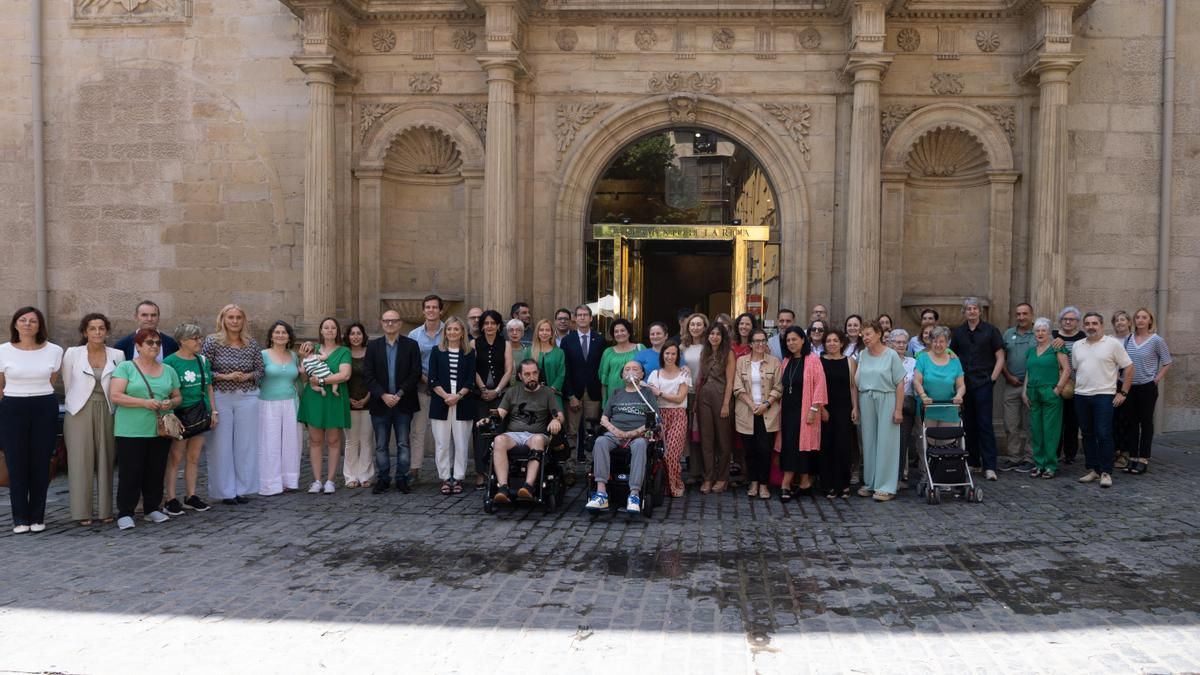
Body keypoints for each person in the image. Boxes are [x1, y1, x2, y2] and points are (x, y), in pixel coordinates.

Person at [108, 328, 181, 530]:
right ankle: (125, 512)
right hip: (130, 429)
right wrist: (144, 403)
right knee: (131, 471)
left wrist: (170, 403)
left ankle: (152, 508)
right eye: (149, 343)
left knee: (155, 470)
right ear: (138, 346)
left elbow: (178, 396)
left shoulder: (168, 370)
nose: (155, 346)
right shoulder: (126, 368)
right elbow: (116, 396)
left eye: (157, 343)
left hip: (159, 430)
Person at [0, 307, 63, 533]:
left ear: (40, 325)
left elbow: (52, 379)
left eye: (33, 321)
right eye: (23, 320)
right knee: (16, 463)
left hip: (43, 405)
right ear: (15, 324)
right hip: (12, 407)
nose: (28, 324)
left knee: (40, 461)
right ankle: (20, 519)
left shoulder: (54, 351)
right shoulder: (3, 351)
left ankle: (37, 517)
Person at [62, 313, 123, 525]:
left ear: (106, 331)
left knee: (106, 459)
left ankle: (106, 510)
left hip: (107, 410)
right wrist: (75, 404)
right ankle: (82, 512)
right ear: (84, 332)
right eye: (92, 328)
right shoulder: (72, 354)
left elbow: (119, 384)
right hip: (79, 410)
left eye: (101, 328)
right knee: (79, 462)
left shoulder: (118, 354)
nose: (97, 332)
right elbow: (67, 382)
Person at [202, 304, 264, 506]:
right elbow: (204, 371)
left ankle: (243, 489)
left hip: (247, 396)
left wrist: (247, 376)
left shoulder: (251, 344)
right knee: (221, 445)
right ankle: (226, 491)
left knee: (245, 445)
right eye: (231, 317)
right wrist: (224, 376)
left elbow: (261, 372)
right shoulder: (212, 342)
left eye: (238, 317)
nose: (235, 321)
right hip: (220, 396)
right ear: (223, 319)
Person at [585, 360, 660, 514]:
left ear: (642, 374)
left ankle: (634, 495)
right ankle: (601, 493)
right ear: (622, 374)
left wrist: (633, 433)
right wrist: (615, 431)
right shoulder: (616, 393)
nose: (631, 372)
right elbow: (604, 418)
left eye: (635, 369)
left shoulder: (646, 394)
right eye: (627, 369)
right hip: (615, 433)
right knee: (600, 441)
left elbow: (654, 420)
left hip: (638, 435)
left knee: (640, 445)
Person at [487, 359, 564, 503]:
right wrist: (488, 420)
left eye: (535, 373)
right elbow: (500, 414)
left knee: (538, 440)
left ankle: (528, 487)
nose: (532, 377)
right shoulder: (512, 392)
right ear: (520, 376)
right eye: (527, 374)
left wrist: (556, 420)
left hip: (537, 435)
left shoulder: (547, 393)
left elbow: (559, 415)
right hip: (513, 435)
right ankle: (503, 488)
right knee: (498, 440)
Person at [1072, 312, 1134, 488]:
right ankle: (1093, 469)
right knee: (1087, 434)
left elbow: (1128, 368)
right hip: (1082, 395)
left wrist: (1123, 393)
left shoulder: (1112, 344)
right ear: (1084, 326)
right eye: (1088, 323)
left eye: (1094, 323)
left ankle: (1106, 471)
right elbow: (1077, 369)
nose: (1091, 326)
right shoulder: (1078, 345)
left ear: (1101, 325)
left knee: (1103, 433)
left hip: (1104, 395)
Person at [364, 309, 422, 494]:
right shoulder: (373, 346)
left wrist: (399, 393)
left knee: (403, 443)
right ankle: (383, 479)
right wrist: (383, 395)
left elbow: (416, 373)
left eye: (394, 321)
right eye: (386, 321)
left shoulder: (411, 345)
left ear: (400, 324)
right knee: (381, 444)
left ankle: (402, 478)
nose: (390, 324)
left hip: (403, 402)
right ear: (381, 323)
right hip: (380, 403)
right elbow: (368, 375)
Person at [162, 323, 216, 515]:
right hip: (180, 414)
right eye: (195, 338)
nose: (199, 341)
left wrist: (213, 412)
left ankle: (191, 495)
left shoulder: (202, 360)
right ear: (182, 341)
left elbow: (208, 387)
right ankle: (170, 498)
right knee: (176, 457)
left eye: (199, 338)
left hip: (200, 413)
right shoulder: (170, 362)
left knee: (194, 457)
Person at [949, 297, 1005, 481]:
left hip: (983, 383)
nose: (972, 311)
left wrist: (992, 379)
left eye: (975, 308)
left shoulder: (991, 331)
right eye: (968, 309)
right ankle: (973, 462)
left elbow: (1000, 356)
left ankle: (989, 466)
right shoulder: (959, 332)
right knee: (968, 424)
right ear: (964, 312)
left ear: (980, 311)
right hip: (964, 384)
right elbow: (952, 355)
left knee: (985, 424)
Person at [297, 317, 351, 494]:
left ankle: (330, 480)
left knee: (334, 440)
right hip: (314, 398)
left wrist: (320, 379)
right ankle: (317, 480)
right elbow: (304, 378)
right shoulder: (313, 349)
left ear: (338, 331)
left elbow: (344, 375)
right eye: (326, 327)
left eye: (333, 328)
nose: (329, 330)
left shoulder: (343, 351)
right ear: (320, 331)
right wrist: (302, 361)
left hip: (333, 398)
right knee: (315, 439)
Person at [855, 321, 906, 502]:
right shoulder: (862, 354)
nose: (865, 337)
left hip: (887, 398)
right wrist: (857, 406)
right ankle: (871, 483)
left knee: (887, 442)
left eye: (868, 334)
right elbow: (856, 382)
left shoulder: (891, 354)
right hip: (866, 398)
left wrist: (898, 409)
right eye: (863, 334)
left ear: (878, 334)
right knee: (869, 442)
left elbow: (900, 383)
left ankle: (886, 486)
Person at [776, 326, 827, 500]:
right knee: (789, 445)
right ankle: (804, 483)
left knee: (803, 447)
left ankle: (786, 483)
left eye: (794, 339)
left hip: (805, 409)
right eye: (788, 340)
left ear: (803, 340)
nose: (791, 343)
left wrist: (814, 409)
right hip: (787, 410)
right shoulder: (786, 360)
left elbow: (820, 385)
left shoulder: (812, 360)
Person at [733, 328, 783, 500]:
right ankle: (753, 481)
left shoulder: (774, 362)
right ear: (751, 344)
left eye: (763, 341)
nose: (760, 344)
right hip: (746, 411)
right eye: (757, 341)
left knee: (764, 450)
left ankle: (764, 484)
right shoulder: (741, 362)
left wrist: (766, 404)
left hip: (768, 412)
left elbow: (779, 386)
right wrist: (751, 404)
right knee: (750, 450)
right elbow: (737, 386)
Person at [429, 316, 477, 495]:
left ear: (462, 332)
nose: (452, 332)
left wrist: (457, 396)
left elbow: (470, 379)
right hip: (441, 401)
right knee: (442, 443)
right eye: (449, 329)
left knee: (461, 442)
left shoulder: (469, 352)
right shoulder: (437, 351)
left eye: (456, 329)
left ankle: (457, 477)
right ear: (445, 332)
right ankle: (445, 477)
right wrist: (446, 396)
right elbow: (432, 379)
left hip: (462, 402)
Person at [1121, 308, 1171, 475]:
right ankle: (1133, 457)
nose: (1140, 320)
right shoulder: (1129, 339)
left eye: (1144, 317)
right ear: (1134, 320)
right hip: (1129, 386)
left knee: (1146, 423)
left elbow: (1167, 362)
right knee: (1132, 423)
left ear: (1150, 321)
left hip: (1146, 387)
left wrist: (1156, 378)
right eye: (1137, 317)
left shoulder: (1156, 340)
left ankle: (1143, 458)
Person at [257, 320, 302, 496]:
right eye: (277, 332)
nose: (280, 335)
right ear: (271, 336)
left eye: (284, 332)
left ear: (289, 336)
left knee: (292, 442)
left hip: (291, 402)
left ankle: (289, 480)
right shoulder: (263, 355)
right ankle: (270, 483)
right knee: (270, 443)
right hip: (267, 403)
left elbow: (299, 380)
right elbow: (257, 379)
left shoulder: (293, 355)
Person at [1022, 318, 1070, 479]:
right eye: (1037, 330)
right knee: (1036, 430)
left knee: (1050, 430)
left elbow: (1066, 369)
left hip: (1050, 392)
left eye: (1043, 330)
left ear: (1049, 332)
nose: (1040, 333)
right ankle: (1039, 463)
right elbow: (1029, 372)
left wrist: (1057, 389)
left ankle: (1050, 465)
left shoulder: (1057, 348)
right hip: (1033, 393)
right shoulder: (1031, 351)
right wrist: (1024, 391)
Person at [408, 294, 445, 484]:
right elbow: (411, 364)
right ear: (423, 310)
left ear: (440, 310)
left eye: (434, 307)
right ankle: (414, 470)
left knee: (444, 434)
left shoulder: (449, 331)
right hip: (421, 387)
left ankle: (446, 472)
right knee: (418, 431)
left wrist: (438, 384)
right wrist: (428, 381)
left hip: (445, 390)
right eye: (428, 307)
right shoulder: (414, 335)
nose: (431, 310)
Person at [561, 304, 607, 461]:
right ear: (575, 318)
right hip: (574, 392)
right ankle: (570, 466)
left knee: (592, 430)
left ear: (591, 318)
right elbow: (565, 369)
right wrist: (570, 394)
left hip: (593, 393)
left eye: (585, 315)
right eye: (579, 315)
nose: (582, 317)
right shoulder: (568, 340)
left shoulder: (600, 340)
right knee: (572, 431)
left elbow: (602, 367)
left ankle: (591, 466)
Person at [473, 309, 512, 488]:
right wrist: (482, 388)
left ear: (498, 326)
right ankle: (480, 473)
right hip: (480, 395)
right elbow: (472, 369)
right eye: (486, 323)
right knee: (481, 433)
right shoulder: (474, 344)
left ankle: (498, 471)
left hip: (500, 395)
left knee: (499, 432)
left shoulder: (506, 344)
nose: (489, 326)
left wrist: (496, 390)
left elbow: (509, 370)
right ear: (482, 326)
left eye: (492, 323)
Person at [647, 343, 691, 497]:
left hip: (677, 415)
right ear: (662, 355)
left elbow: (679, 398)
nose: (670, 357)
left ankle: (674, 485)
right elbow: (649, 396)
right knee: (657, 453)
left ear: (678, 356)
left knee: (671, 453)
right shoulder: (655, 374)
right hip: (659, 415)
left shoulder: (684, 375)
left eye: (673, 354)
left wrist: (659, 393)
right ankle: (659, 484)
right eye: (667, 353)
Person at [696, 323, 736, 493]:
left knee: (723, 440)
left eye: (718, 334)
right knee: (707, 439)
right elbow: (700, 378)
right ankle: (708, 477)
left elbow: (730, 381)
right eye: (712, 334)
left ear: (723, 337)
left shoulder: (728, 354)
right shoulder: (704, 353)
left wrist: (726, 403)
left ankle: (722, 477)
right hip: (704, 397)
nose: (714, 337)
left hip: (721, 398)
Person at [820, 329, 858, 499]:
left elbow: (853, 387)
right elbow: (816, 388)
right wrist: (821, 408)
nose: (832, 344)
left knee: (843, 447)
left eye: (835, 340)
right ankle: (828, 485)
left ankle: (843, 484)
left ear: (842, 343)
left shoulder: (850, 361)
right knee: (826, 447)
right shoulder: (819, 362)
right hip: (826, 409)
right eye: (828, 341)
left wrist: (855, 408)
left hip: (844, 409)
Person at [1000, 303, 1037, 473]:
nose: (1021, 317)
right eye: (1018, 314)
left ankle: (1030, 457)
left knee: (1031, 424)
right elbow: (1001, 358)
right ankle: (1013, 457)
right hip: (1011, 383)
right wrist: (1008, 376)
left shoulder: (1038, 333)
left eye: (1025, 314)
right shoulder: (1008, 334)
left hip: (1032, 385)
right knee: (1010, 423)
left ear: (1031, 315)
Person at [914, 326, 966, 435]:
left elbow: (961, 385)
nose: (938, 344)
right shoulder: (922, 358)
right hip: (927, 409)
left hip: (949, 409)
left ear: (947, 343)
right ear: (930, 342)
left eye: (941, 341)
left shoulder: (955, 361)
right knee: (927, 444)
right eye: (935, 341)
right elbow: (917, 381)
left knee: (948, 444)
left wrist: (959, 395)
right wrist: (923, 395)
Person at [342, 322, 375, 488]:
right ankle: (350, 476)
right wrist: (347, 398)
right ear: (348, 336)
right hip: (348, 401)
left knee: (367, 440)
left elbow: (374, 378)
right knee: (351, 441)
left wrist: (367, 398)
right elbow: (341, 378)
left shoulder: (370, 353)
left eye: (358, 333)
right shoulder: (343, 353)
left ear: (363, 336)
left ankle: (365, 475)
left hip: (368, 401)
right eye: (352, 333)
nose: (355, 337)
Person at [1052, 305, 1086, 465]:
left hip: (1077, 384)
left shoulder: (1083, 337)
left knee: (1073, 421)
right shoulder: (1052, 335)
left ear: (1077, 322)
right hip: (1057, 384)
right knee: (1057, 420)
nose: (1067, 322)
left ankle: (1070, 454)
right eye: (1065, 319)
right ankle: (1056, 452)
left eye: (1071, 319)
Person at [680, 312, 709, 485]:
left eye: (699, 324)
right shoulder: (683, 347)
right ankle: (694, 470)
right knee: (690, 435)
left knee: (704, 433)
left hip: (705, 394)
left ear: (705, 327)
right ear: (687, 327)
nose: (695, 327)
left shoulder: (709, 346)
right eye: (692, 324)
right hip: (687, 394)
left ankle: (707, 471)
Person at [888, 328, 918, 486]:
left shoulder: (913, 362)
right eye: (897, 342)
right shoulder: (886, 361)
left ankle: (898, 478)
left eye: (903, 342)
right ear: (891, 344)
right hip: (887, 403)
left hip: (906, 406)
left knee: (902, 443)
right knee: (887, 444)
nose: (901, 345)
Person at [114, 300, 179, 362]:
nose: (149, 319)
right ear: (136, 317)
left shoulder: (171, 344)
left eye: (153, 315)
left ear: (158, 318)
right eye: (144, 315)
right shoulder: (122, 345)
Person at [598, 318, 642, 407]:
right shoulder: (608, 352)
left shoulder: (639, 348)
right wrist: (605, 403)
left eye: (622, 330)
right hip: (614, 394)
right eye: (616, 331)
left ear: (629, 332)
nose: (619, 333)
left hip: (636, 394)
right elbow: (604, 381)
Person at [526, 318, 566, 410]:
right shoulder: (529, 351)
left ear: (552, 333)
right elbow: (524, 372)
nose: (544, 333)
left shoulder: (559, 352)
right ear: (537, 332)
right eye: (541, 330)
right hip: (532, 395)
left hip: (553, 395)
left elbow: (561, 374)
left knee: (556, 420)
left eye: (547, 330)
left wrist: (552, 389)